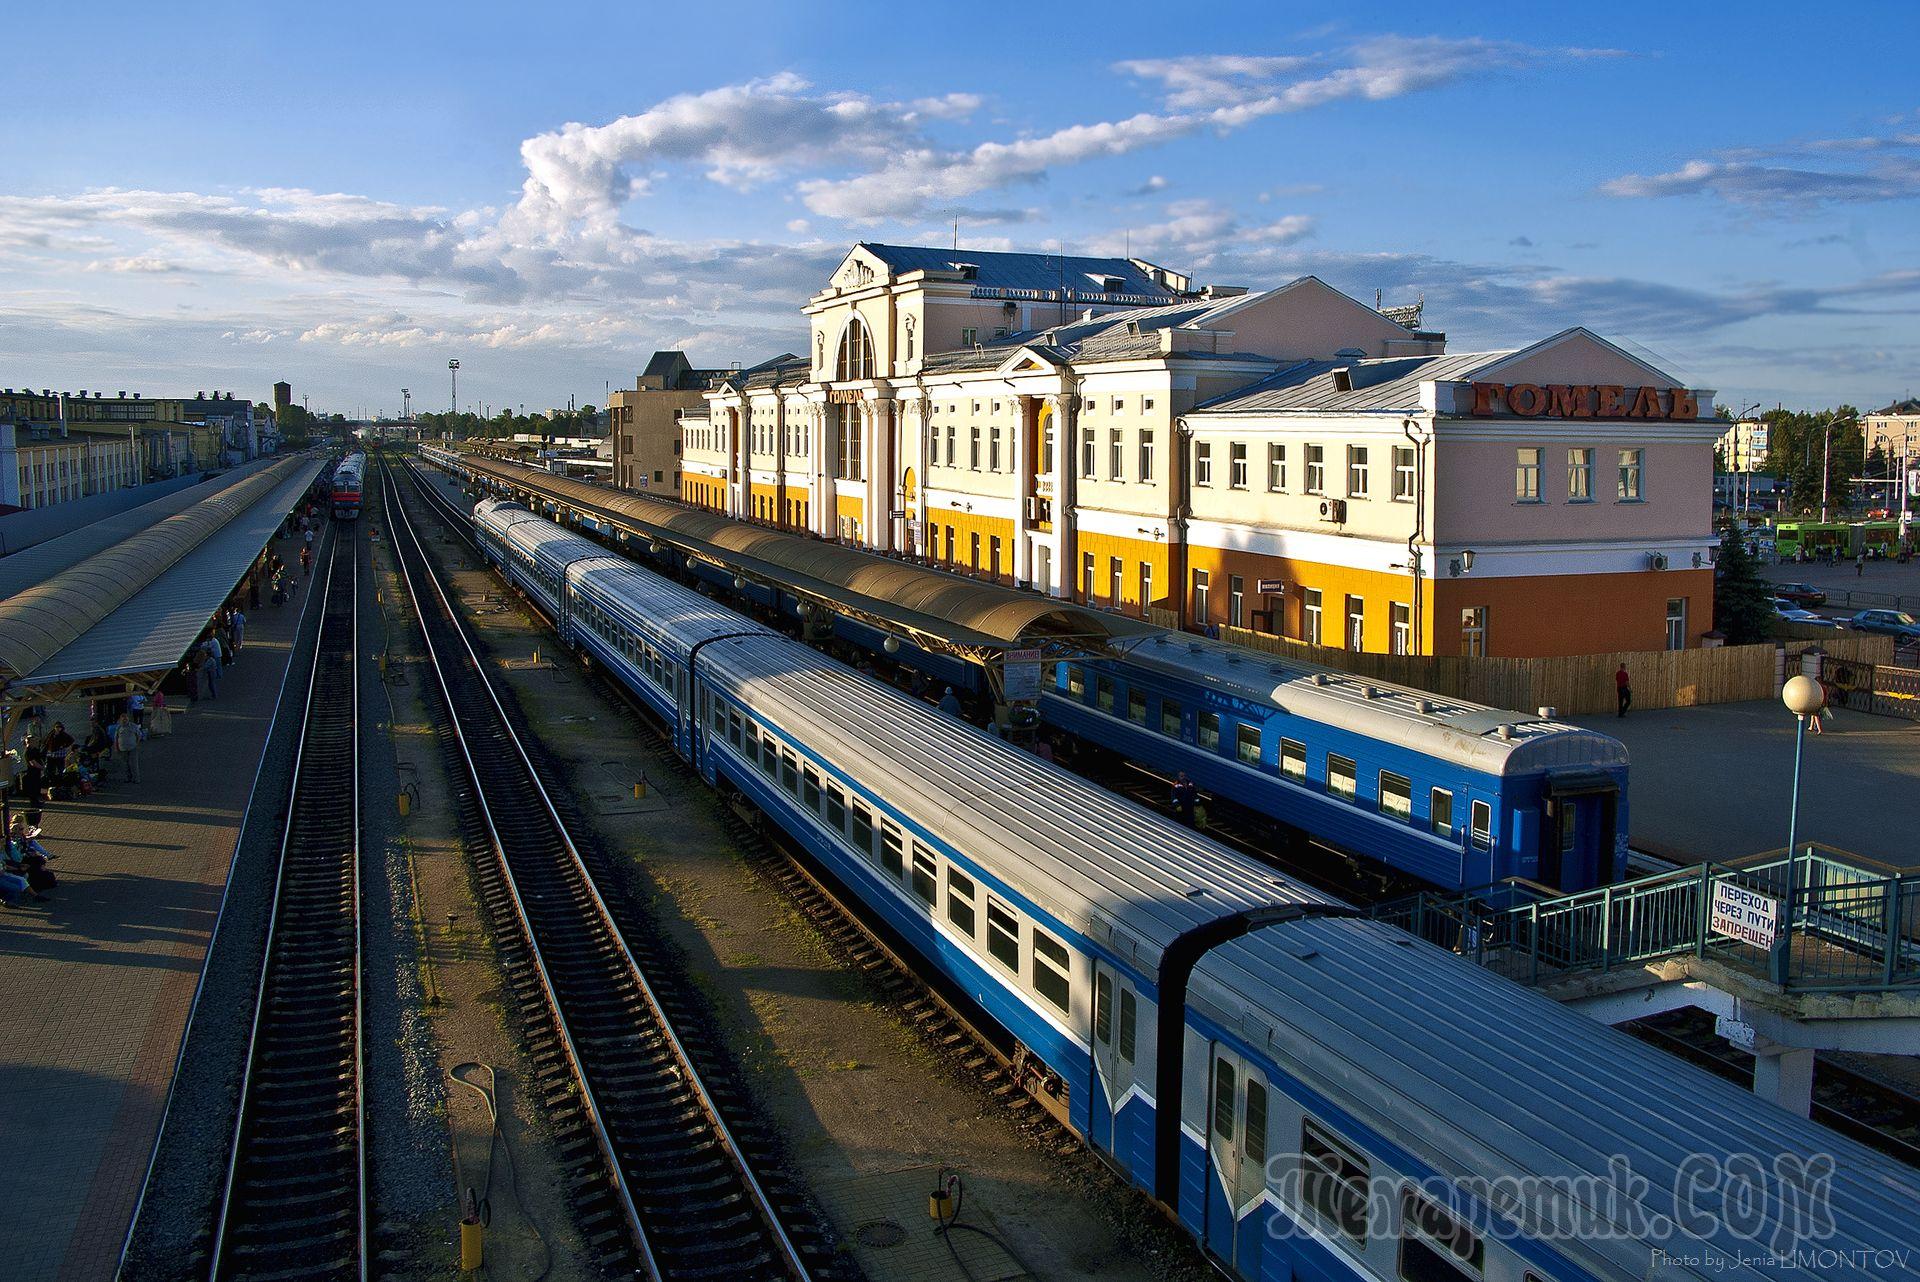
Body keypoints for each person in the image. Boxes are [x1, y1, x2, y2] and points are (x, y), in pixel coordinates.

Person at [114, 712, 141, 783]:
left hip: (132, 748)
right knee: (125, 764)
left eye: (126, 719)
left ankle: (136, 779)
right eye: (123, 719)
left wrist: (137, 744)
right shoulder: (118, 727)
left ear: (128, 719)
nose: (124, 720)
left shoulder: (133, 726)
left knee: (134, 764)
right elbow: (116, 738)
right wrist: (116, 747)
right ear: (120, 720)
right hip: (122, 749)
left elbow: (139, 735)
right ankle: (128, 778)